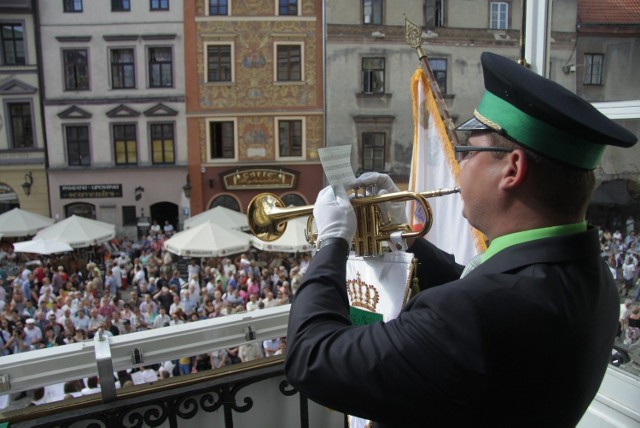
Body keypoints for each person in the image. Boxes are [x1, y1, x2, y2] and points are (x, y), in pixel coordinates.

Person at [284, 52, 637, 427]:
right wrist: (401, 235)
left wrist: (332, 242)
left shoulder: (469, 315)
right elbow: (478, 287)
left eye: (467, 150)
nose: (460, 163)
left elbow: (310, 357)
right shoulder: (594, 275)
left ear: (512, 169)